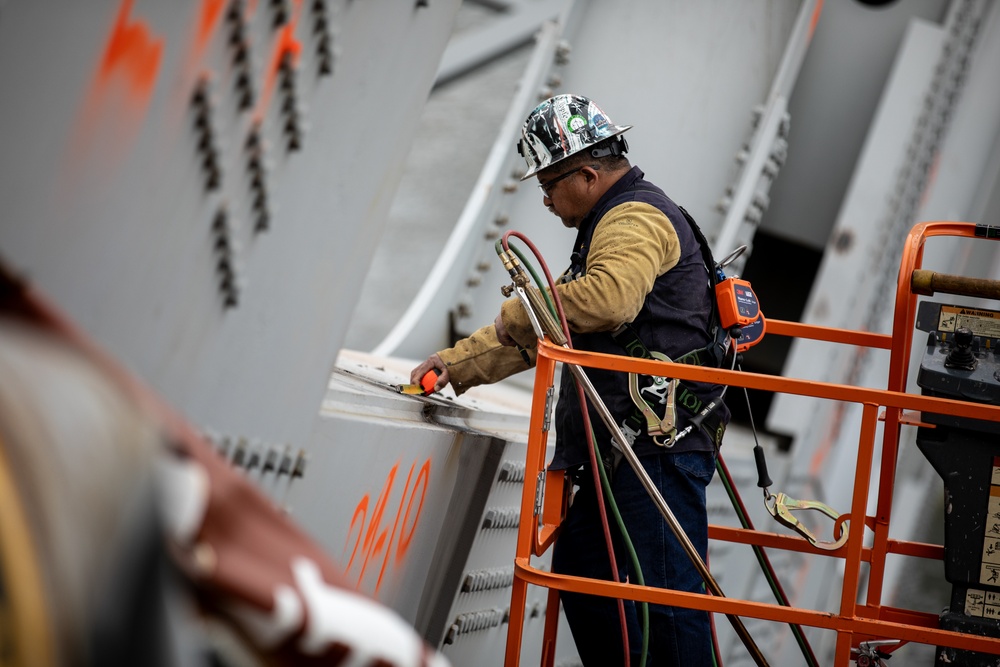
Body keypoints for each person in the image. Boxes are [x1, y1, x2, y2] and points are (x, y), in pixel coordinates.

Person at [411, 93, 729, 666]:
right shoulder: (614, 223)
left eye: (548, 183)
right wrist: (454, 365)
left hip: (655, 450)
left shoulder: (634, 219)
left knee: (671, 605)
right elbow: (552, 324)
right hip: (630, 453)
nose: (544, 198)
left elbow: (604, 302)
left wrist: (517, 310)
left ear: (585, 174)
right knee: (584, 572)